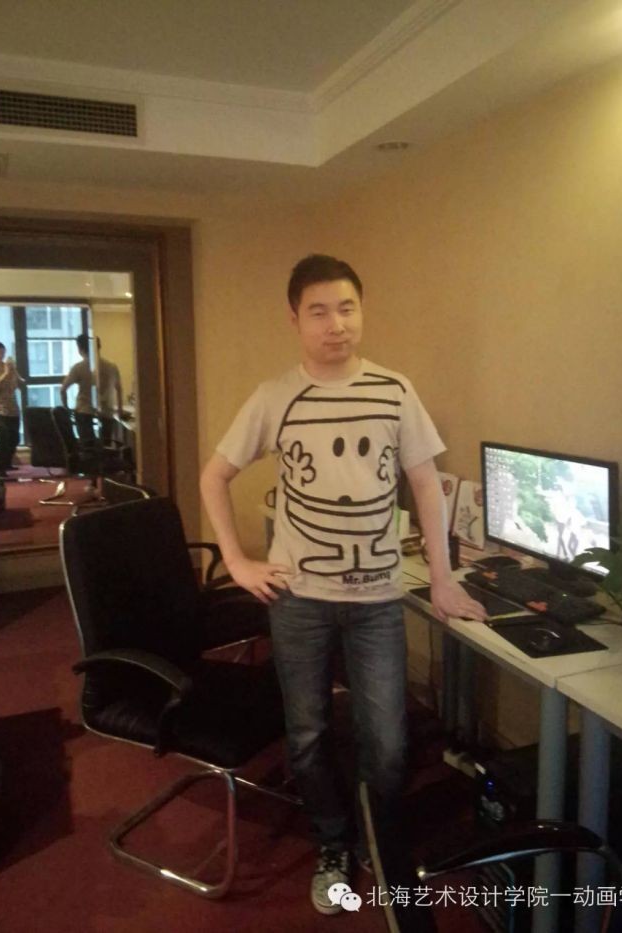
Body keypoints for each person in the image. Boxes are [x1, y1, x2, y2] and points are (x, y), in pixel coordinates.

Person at [200, 254, 486, 916]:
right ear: (295, 319)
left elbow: (426, 484)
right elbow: (214, 475)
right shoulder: (275, 395)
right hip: (298, 599)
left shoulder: (394, 390)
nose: (336, 324)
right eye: (320, 311)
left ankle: (377, 840)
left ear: (363, 310)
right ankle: (332, 840)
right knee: (307, 735)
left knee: (387, 742)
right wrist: (237, 561)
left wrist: (443, 579)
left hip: (378, 600)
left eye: (347, 308)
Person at [0, 341, 26, 478]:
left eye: (3, 353)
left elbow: (20, 384)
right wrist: (5, 374)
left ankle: (7, 463)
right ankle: (1, 468)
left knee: (15, 438)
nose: (1, 356)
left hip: (12, 408)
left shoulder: (8, 367)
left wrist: (14, 371)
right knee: (4, 437)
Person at [60, 334, 96, 447]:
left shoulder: (79, 367)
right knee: (104, 445)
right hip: (102, 411)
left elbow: (63, 389)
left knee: (87, 446)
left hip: (84, 410)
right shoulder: (103, 366)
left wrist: (66, 408)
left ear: (80, 349)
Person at [95, 337, 124, 445]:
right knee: (107, 442)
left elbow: (118, 388)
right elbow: (119, 389)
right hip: (107, 410)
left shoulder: (88, 367)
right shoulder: (111, 366)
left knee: (97, 443)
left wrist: (120, 409)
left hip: (94, 411)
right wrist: (120, 409)